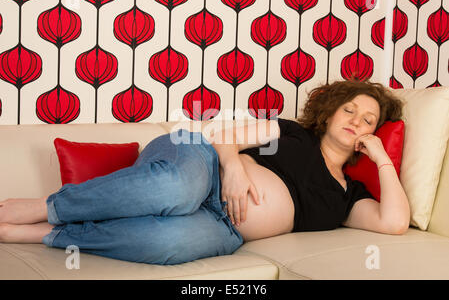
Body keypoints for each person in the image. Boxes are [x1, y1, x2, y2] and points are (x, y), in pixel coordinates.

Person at [0, 79, 410, 265]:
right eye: (349, 109)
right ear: (330, 112)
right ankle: (44, 207)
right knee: (175, 189)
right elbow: (220, 134)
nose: (356, 120)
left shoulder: (347, 196)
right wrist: (232, 166)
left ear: (372, 135)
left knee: (171, 243)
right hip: (203, 163)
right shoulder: (293, 133)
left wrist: (382, 160)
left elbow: (393, 223)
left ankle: (49, 235)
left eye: (369, 120)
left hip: (225, 227)